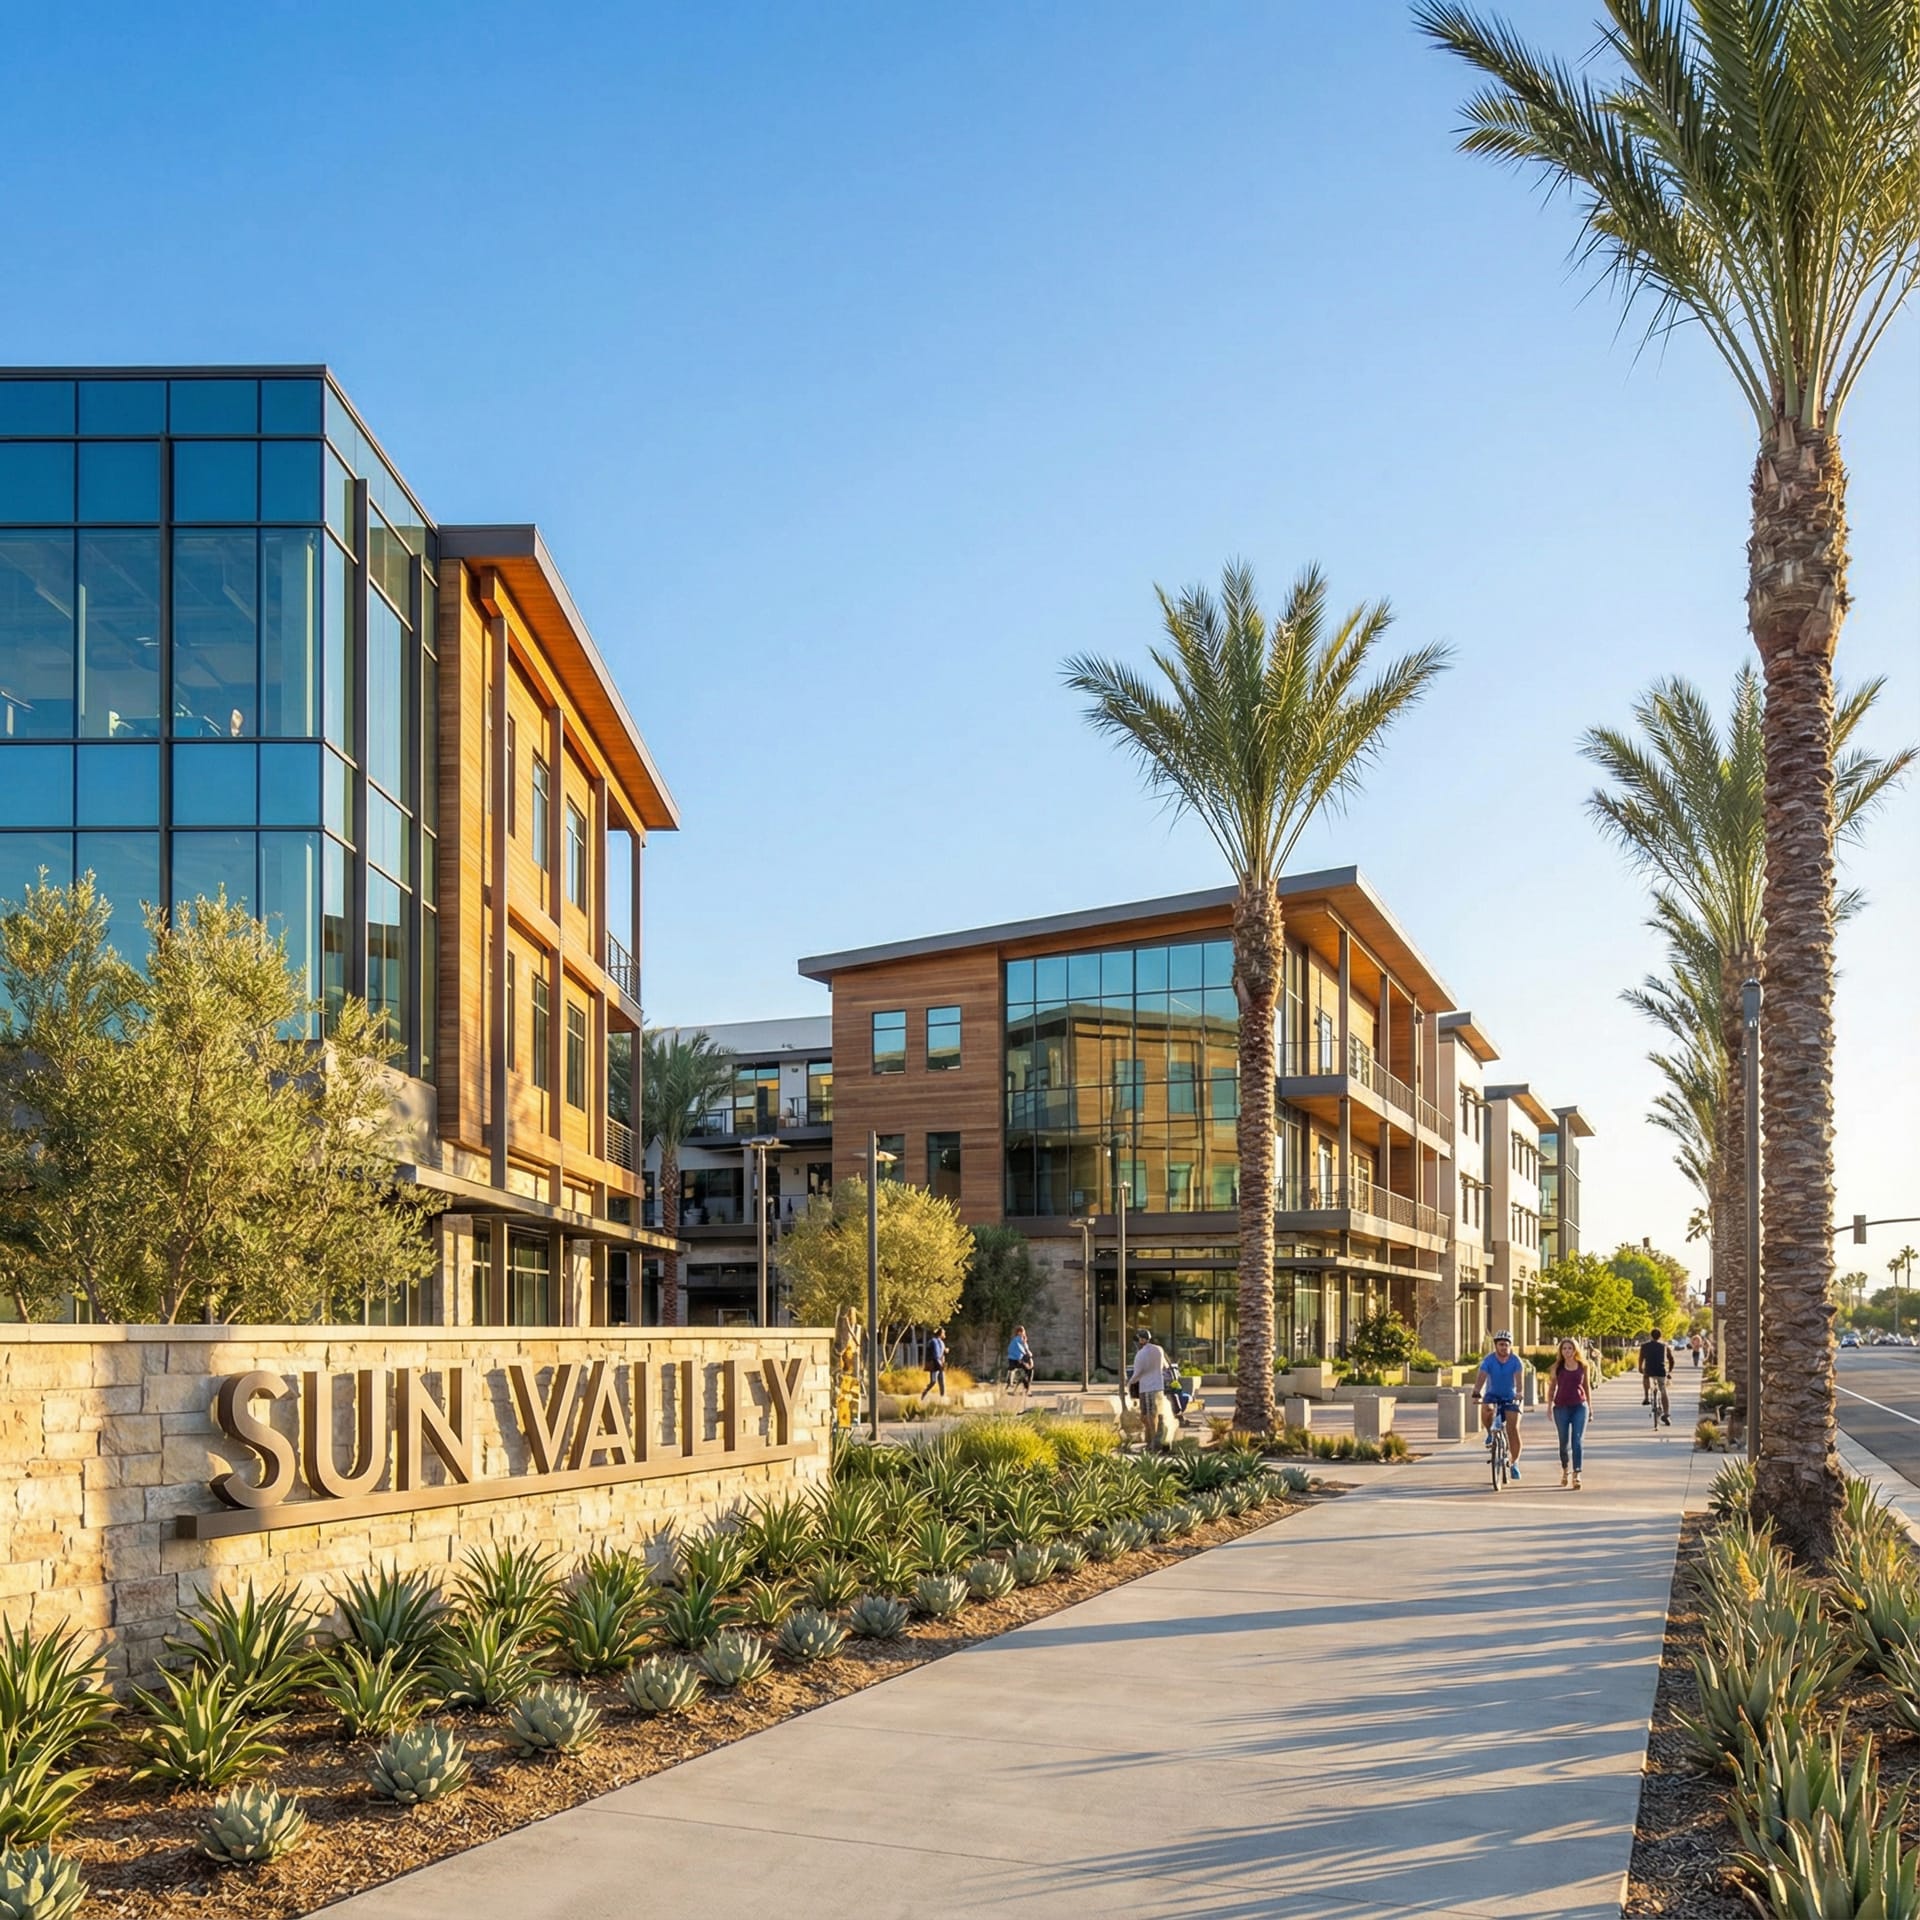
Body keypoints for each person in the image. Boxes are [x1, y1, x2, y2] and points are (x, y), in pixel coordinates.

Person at [1472, 1330, 1525, 1480]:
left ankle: (1515, 1463)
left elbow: (1519, 1382)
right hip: (1493, 1395)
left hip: (1511, 1397)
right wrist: (1476, 1391)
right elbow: (1481, 1377)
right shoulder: (1488, 1361)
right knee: (1487, 1409)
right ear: (1495, 1346)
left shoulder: (1516, 1361)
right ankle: (1490, 1433)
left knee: (1512, 1429)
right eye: (1501, 1345)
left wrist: (1519, 1393)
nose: (1504, 1348)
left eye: (1506, 1345)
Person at [1547, 1337, 1593, 1489]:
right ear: (1561, 1351)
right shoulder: (1558, 1367)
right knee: (1563, 1442)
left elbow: (1586, 1386)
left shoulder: (1583, 1366)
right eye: (1564, 1348)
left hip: (1580, 1406)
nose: (1567, 1351)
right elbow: (1552, 1388)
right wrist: (1548, 1407)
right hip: (1561, 1407)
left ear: (1575, 1350)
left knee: (1577, 1441)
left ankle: (1577, 1473)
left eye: (1570, 1348)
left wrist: (1590, 1407)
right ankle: (1565, 1469)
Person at [1128, 1328, 1170, 1452]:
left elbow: (1137, 1374)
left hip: (1146, 1388)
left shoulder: (1140, 1354)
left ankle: (1152, 1443)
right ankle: (1155, 1441)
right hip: (1158, 1387)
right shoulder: (1159, 1350)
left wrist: (1129, 1383)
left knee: (1147, 1416)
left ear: (1141, 1340)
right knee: (1157, 1414)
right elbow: (1165, 1367)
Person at [1639, 1326, 1672, 1424]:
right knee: (1663, 1390)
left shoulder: (1644, 1346)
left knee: (1645, 1376)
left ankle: (1646, 1397)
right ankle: (1666, 1414)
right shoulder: (1664, 1346)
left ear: (1651, 1336)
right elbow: (1671, 1359)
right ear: (1660, 1336)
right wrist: (1669, 1371)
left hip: (1649, 1370)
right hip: (1661, 1370)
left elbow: (1641, 1359)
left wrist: (1640, 1368)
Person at [1006, 1325, 1035, 1393]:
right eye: (1022, 1331)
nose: (1024, 1332)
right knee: (1027, 1370)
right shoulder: (1016, 1340)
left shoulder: (1022, 1340)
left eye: (1024, 1331)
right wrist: (1026, 1354)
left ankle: (1026, 1388)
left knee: (1028, 1370)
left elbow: (1026, 1349)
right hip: (1014, 1360)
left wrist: (1028, 1353)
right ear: (1019, 1332)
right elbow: (1018, 1350)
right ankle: (1027, 1388)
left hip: (1019, 1359)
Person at [921, 1327, 948, 1401]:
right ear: (940, 1334)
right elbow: (936, 1354)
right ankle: (924, 1393)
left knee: (942, 1382)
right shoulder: (933, 1341)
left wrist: (945, 1350)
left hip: (939, 1363)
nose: (945, 1334)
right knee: (934, 1381)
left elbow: (941, 1351)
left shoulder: (941, 1342)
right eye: (943, 1333)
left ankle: (943, 1397)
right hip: (935, 1364)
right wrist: (939, 1364)